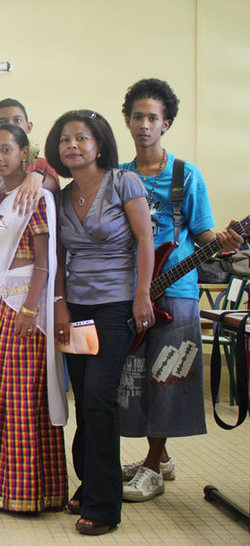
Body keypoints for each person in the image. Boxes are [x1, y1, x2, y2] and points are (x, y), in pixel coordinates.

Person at [117, 78, 243, 502]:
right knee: (136, 378)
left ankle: (152, 467)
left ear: (166, 122)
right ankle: (159, 455)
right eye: (137, 116)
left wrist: (224, 242)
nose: (144, 124)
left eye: (153, 117)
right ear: (128, 121)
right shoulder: (120, 176)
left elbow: (205, 233)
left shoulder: (186, 175)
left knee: (168, 376)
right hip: (132, 290)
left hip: (178, 292)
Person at [46, 109, 154, 535]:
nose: (72, 145)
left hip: (116, 308)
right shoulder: (60, 195)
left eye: (82, 138)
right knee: (85, 406)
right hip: (77, 307)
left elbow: (145, 239)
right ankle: (89, 481)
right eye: (65, 140)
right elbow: (56, 257)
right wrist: (60, 305)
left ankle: (104, 506)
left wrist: (142, 294)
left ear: (99, 143)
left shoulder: (124, 181)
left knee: (98, 399)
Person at [0, 124, 68, 512]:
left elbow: (44, 260)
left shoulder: (34, 196)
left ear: (25, 153)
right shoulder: (5, 199)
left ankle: (27, 492)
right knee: (6, 397)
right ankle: (5, 487)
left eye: (7, 149)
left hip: (26, 309)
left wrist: (32, 308)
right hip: (6, 306)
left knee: (22, 399)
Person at [0, 98, 60, 193]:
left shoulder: (43, 166)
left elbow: (56, 193)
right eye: (2, 122)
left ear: (29, 127)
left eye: (17, 120)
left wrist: (39, 176)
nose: (11, 125)